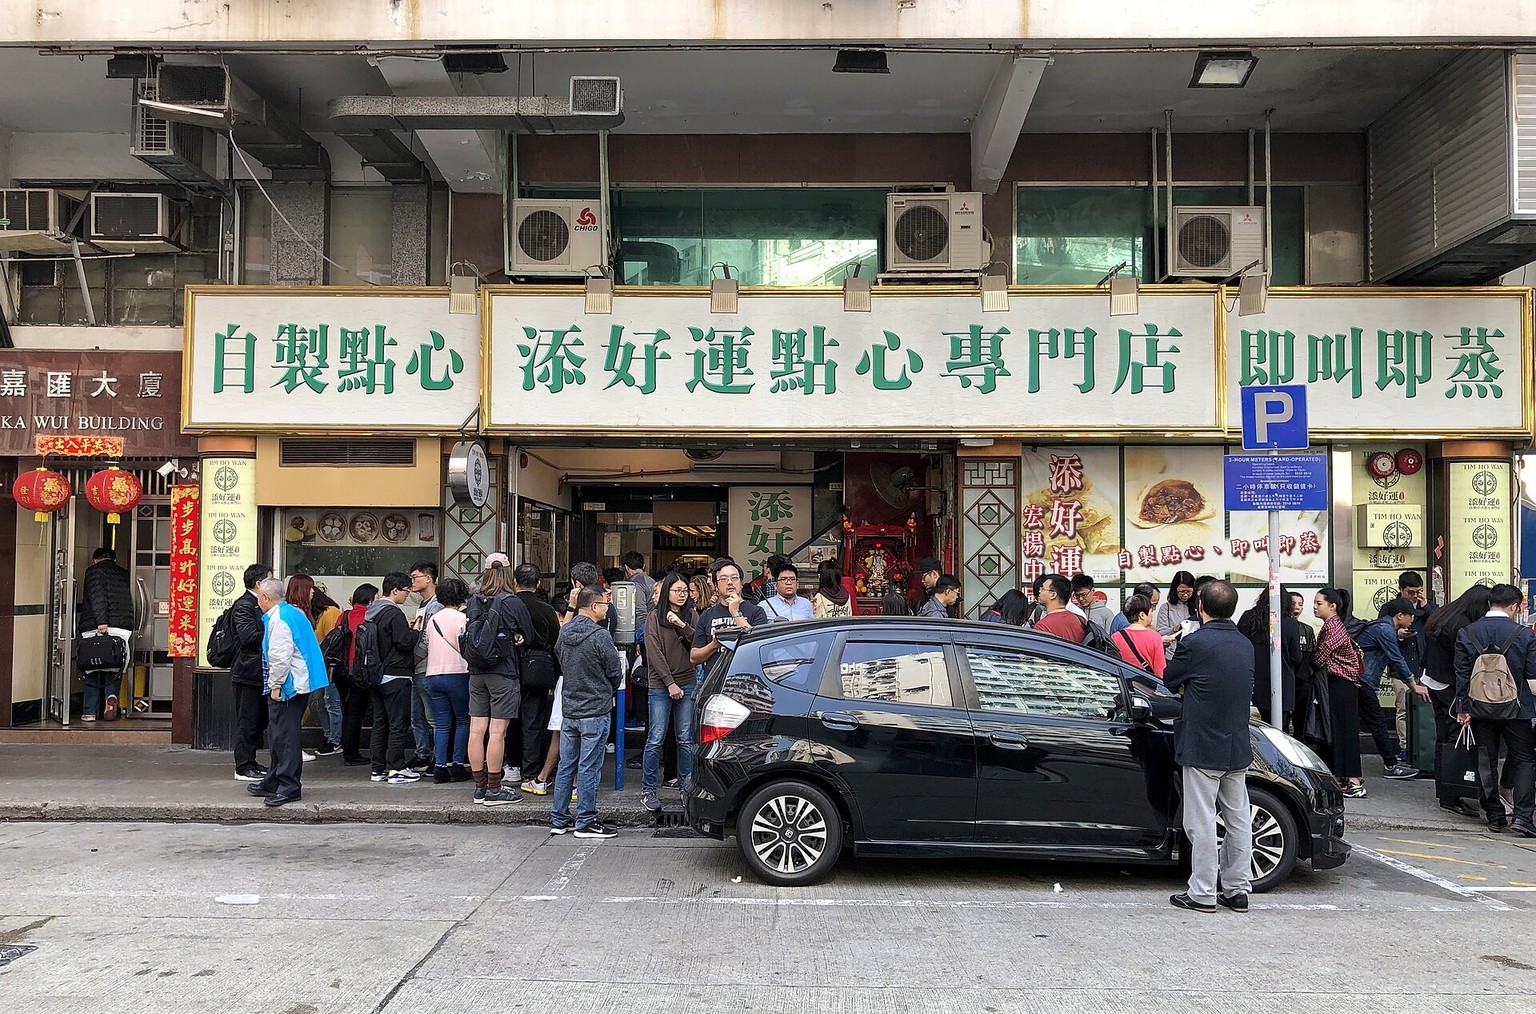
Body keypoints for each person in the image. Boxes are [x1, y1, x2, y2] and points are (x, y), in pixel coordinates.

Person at [1163, 579, 1254, 914]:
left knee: (1201, 821)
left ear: (1201, 607)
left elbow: (1169, 678)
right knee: (1238, 818)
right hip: (1237, 744)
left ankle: (1202, 892)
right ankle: (1237, 889)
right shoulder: (1245, 644)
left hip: (1202, 743)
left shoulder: (1195, 643)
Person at [1453, 583, 1536, 836]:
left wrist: (1462, 708)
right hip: (1517, 708)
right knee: (1524, 759)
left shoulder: (1467, 633)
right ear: (1513, 606)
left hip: (1479, 707)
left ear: (1490, 603)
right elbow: (1532, 673)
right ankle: (1522, 817)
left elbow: (1462, 674)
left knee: (1485, 761)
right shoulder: (1523, 634)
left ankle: (1495, 816)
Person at [247, 576, 330, 808]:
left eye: (259, 597)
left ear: (265, 598)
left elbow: (280, 657)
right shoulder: (293, 613)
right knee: (277, 734)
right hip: (300, 682)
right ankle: (274, 778)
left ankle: (288, 785)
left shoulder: (280, 619)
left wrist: (275, 685)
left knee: (285, 736)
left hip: (289, 686)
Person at [551, 586, 624, 839]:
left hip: (570, 708)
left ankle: (559, 818)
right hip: (595, 708)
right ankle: (586, 820)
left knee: (566, 765)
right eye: (604, 603)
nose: (607, 607)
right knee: (589, 767)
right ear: (594, 606)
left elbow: (559, 658)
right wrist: (607, 689)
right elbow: (615, 671)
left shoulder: (565, 632)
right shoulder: (600, 636)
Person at [465, 553, 534, 806]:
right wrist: (517, 638)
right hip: (503, 672)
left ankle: (479, 787)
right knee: (497, 732)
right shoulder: (512, 602)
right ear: (508, 574)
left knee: (476, 729)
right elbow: (528, 634)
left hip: (476, 672)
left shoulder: (473, 600)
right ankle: (495, 788)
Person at [1423, 584, 1491, 819]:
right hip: (1450, 686)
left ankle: (1445, 792)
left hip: (1433, 680)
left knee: (1443, 738)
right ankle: (1452, 794)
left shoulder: (1442, 615)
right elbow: (1462, 665)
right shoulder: (1462, 626)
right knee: (1454, 739)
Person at [641, 572, 698, 812]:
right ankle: (648, 790)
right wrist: (669, 682)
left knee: (685, 739)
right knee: (656, 738)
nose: (682, 595)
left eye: (685, 591)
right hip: (660, 684)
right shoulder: (654, 617)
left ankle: (686, 788)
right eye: (677, 591)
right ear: (667, 593)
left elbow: (699, 643)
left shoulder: (693, 615)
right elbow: (653, 652)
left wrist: (681, 624)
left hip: (688, 681)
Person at [1356, 597, 1429, 780]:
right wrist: (1413, 685)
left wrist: (1398, 636)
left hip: (1359, 680)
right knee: (1378, 722)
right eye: (1410, 616)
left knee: (1367, 723)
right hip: (1362, 681)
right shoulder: (1385, 630)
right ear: (1400, 616)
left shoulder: (1385, 629)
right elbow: (1397, 660)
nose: (1412, 620)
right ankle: (1391, 765)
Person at [367, 571, 422, 787]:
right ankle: (397, 768)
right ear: (395, 590)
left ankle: (377, 768)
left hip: (376, 674)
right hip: (396, 674)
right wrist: (415, 632)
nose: (407, 594)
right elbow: (404, 643)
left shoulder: (373, 612)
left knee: (380, 723)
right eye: (406, 590)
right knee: (398, 723)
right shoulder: (393, 613)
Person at [1314, 588, 1366, 798]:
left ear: (1333, 606)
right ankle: (1340, 777)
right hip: (1340, 684)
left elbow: (1319, 658)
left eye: (1319, 603)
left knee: (1345, 731)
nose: (1315, 607)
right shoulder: (1332, 626)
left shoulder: (1334, 629)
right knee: (1340, 731)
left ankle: (1353, 780)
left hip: (1342, 684)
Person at [515, 563, 561, 795]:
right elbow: (555, 641)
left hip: (508, 668)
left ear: (515, 582)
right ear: (539, 583)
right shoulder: (546, 610)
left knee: (506, 720)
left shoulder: (506, 605)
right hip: (538, 669)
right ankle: (530, 771)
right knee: (534, 720)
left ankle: (509, 764)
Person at [1381, 570, 1435, 766]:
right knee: (1403, 708)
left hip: (1423, 665)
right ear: (1401, 589)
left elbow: (1438, 623)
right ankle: (1405, 747)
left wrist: (1425, 605)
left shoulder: (1425, 606)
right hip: (1400, 664)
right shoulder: (1390, 608)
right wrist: (1398, 635)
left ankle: (1423, 747)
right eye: (1410, 592)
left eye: (1418, 591)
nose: (1414, 595)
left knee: (1424, 709)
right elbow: (1382, 633)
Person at [284, 574, 340, 761]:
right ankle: (293, 751)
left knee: (325, 703)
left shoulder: (298, 614)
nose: (314, 592)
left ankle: (332, 739)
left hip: (310, 672)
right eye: (310, 588)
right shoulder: (295, 615)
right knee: (302, 711)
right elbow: (282, 652)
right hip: (298, 675)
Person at [423, 577, 472, 785]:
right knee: (462, 720)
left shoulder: (433, 619)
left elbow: (425, 643)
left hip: (433, 674)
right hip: (458, 673)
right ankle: (458, 764)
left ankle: (440, 767)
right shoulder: (463, 619)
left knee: (442, 724)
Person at [1236, 586, 1304, 732]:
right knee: (1281, 730)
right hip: (1283, 683)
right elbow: (1296, 657)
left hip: (1256, 681)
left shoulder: (1248, 618)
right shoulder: (1290, 624)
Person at [78, 547, 134, 722]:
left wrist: (102, 622)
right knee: (114, 665)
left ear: (96, 559)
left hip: (98, 627)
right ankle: (111, 697)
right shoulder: (124, 573)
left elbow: (98, 596)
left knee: (92, 667)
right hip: (122, 628)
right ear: (113, 559)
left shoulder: (94, 572)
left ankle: (89, 711)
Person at [230, 563, 273, 782]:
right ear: (259, 583)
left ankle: (252, 762)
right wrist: (272, 630)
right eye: (270, 579)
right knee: (247, 721)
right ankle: (243, 765)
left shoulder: (258, 604)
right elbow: (247, 637)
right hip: (247, 671)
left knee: (258, 720)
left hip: (259, 671)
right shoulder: (244, 605)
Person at [691, 559, 768, 668]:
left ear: (741, 583)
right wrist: (714, 644)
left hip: (747, 678)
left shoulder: (756, 612)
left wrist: (735, 612)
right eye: (723, 579)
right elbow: (694, 657)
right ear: (716, 587)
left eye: (734, 578)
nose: (730, 582)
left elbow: (757, 646)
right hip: (716, 680)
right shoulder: (707, 615)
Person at [407, 561, 442, 774]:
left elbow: (427, 640)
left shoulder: (435, 605)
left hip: (427, 667)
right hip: (418, 669)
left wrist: (415, 658)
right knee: (417, 716)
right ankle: (422, 753)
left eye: (415, 577)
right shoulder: (423, 604)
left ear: (428, 578)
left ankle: (437, 757)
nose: (412, 582)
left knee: (432, 717)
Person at [337, 583, 376, 766]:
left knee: (349, 711)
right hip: (361, 671)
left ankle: (348, 751)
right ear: (370, 599)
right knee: (357, 713)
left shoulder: (344, 615)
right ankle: (352, 754)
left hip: (343, 670)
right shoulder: (368, 617)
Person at [1112, 594, 1166, 677]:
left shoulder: (1115, 637)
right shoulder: (1155, 637)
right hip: (1146, 687)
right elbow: (1160, 672)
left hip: (1124, 684)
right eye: (1151, 611)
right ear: (1142, 615)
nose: (1152, 614)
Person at [1031, 574, 1086, 644]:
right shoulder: (1080, 620)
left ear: (1053, 595)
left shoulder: (1043, 627)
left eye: (1042, 588)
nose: (1039, 591)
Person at [1155, 570, 1197, 659]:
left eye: (1188, 591)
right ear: (1175, 590)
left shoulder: (1198, 607)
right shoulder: (1166, 608)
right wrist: (1174, 629)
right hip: (1171, 655)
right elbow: (1160, 633)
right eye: (1181, 591)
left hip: (1194, 654)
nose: (1185, 595)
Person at [622, 551, 656, 626]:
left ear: (626, 568)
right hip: (653, 624)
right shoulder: (652, 581)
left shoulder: (636, 584)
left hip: (643, 628)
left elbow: (640, 612)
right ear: (643, 566)